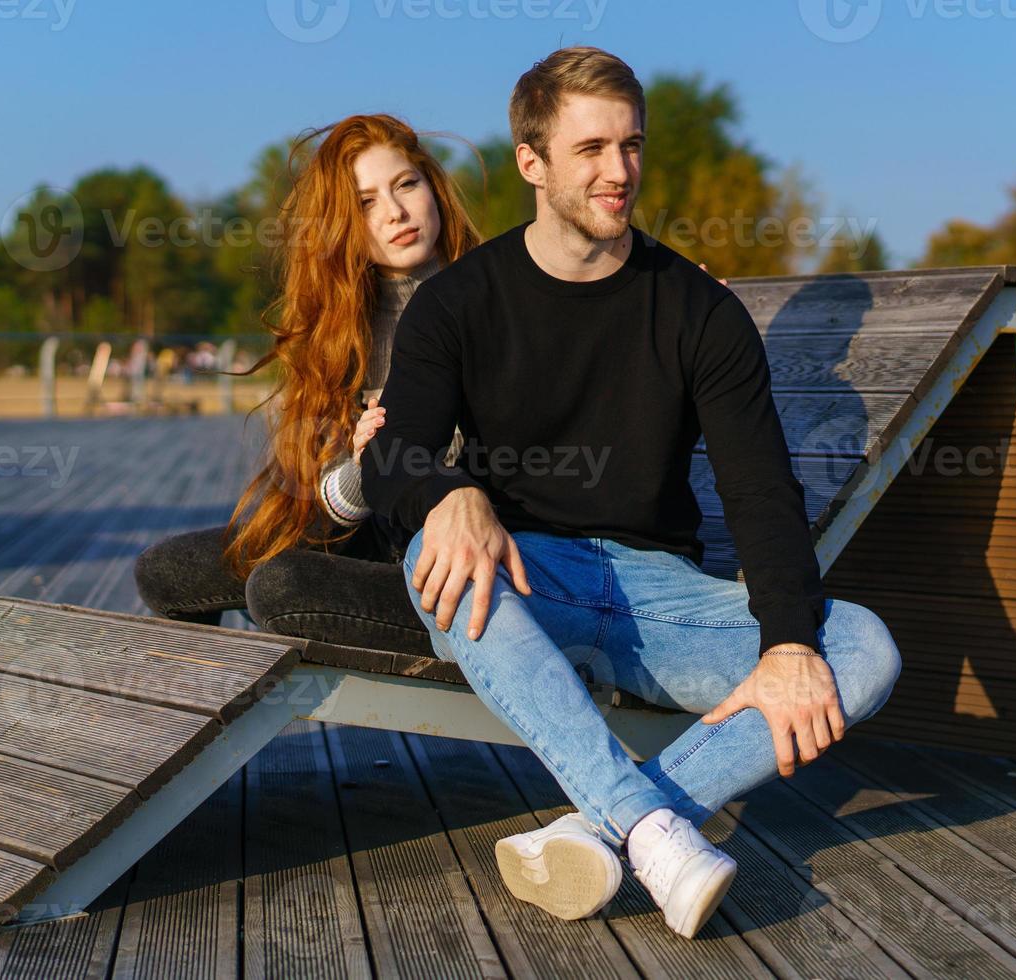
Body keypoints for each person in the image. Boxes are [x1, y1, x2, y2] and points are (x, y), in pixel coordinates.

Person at [361, 46, 900, 939]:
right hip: (530, 587)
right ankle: (656, 830)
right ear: (532, 164)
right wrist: (448, 491)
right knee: (438, 551)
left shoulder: (698, 312)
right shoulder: (459, 303)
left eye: (632, 145)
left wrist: (791, 643)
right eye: (592, 150)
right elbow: (394, 456)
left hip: (664, 601)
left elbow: (763, 493)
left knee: (862, 647)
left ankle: (610, 825)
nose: (620, 173)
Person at [135, 114, 480, 647]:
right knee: (166, 570)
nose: (395, 212)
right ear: (343, 223)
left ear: (432, 187)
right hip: (365, 534)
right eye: (365, 203)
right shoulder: (340, 327)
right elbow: (325, 504)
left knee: (279, 586)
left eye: (406, 184)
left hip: (447, 554)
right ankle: (198, 720)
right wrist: (369, 465)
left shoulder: (490, 296)